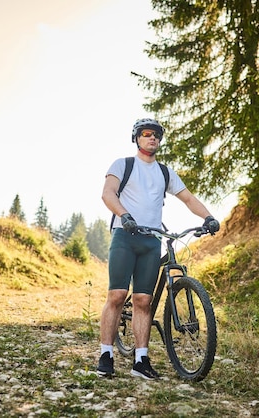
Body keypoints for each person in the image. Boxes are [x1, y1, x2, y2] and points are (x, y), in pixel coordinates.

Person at [97, 118, 220, 380]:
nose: (152, 138)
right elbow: (108, 193)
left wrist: (208, 217)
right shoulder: (123, 165)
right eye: (146, 134)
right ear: (137, 138)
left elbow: (187, 198)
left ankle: (141, 361)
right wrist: (124, 215)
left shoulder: (165, 173)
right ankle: (105, 354)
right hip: (125, 236)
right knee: (117, 295)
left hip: (151, 241)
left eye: (156, 135)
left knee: (143, 300)